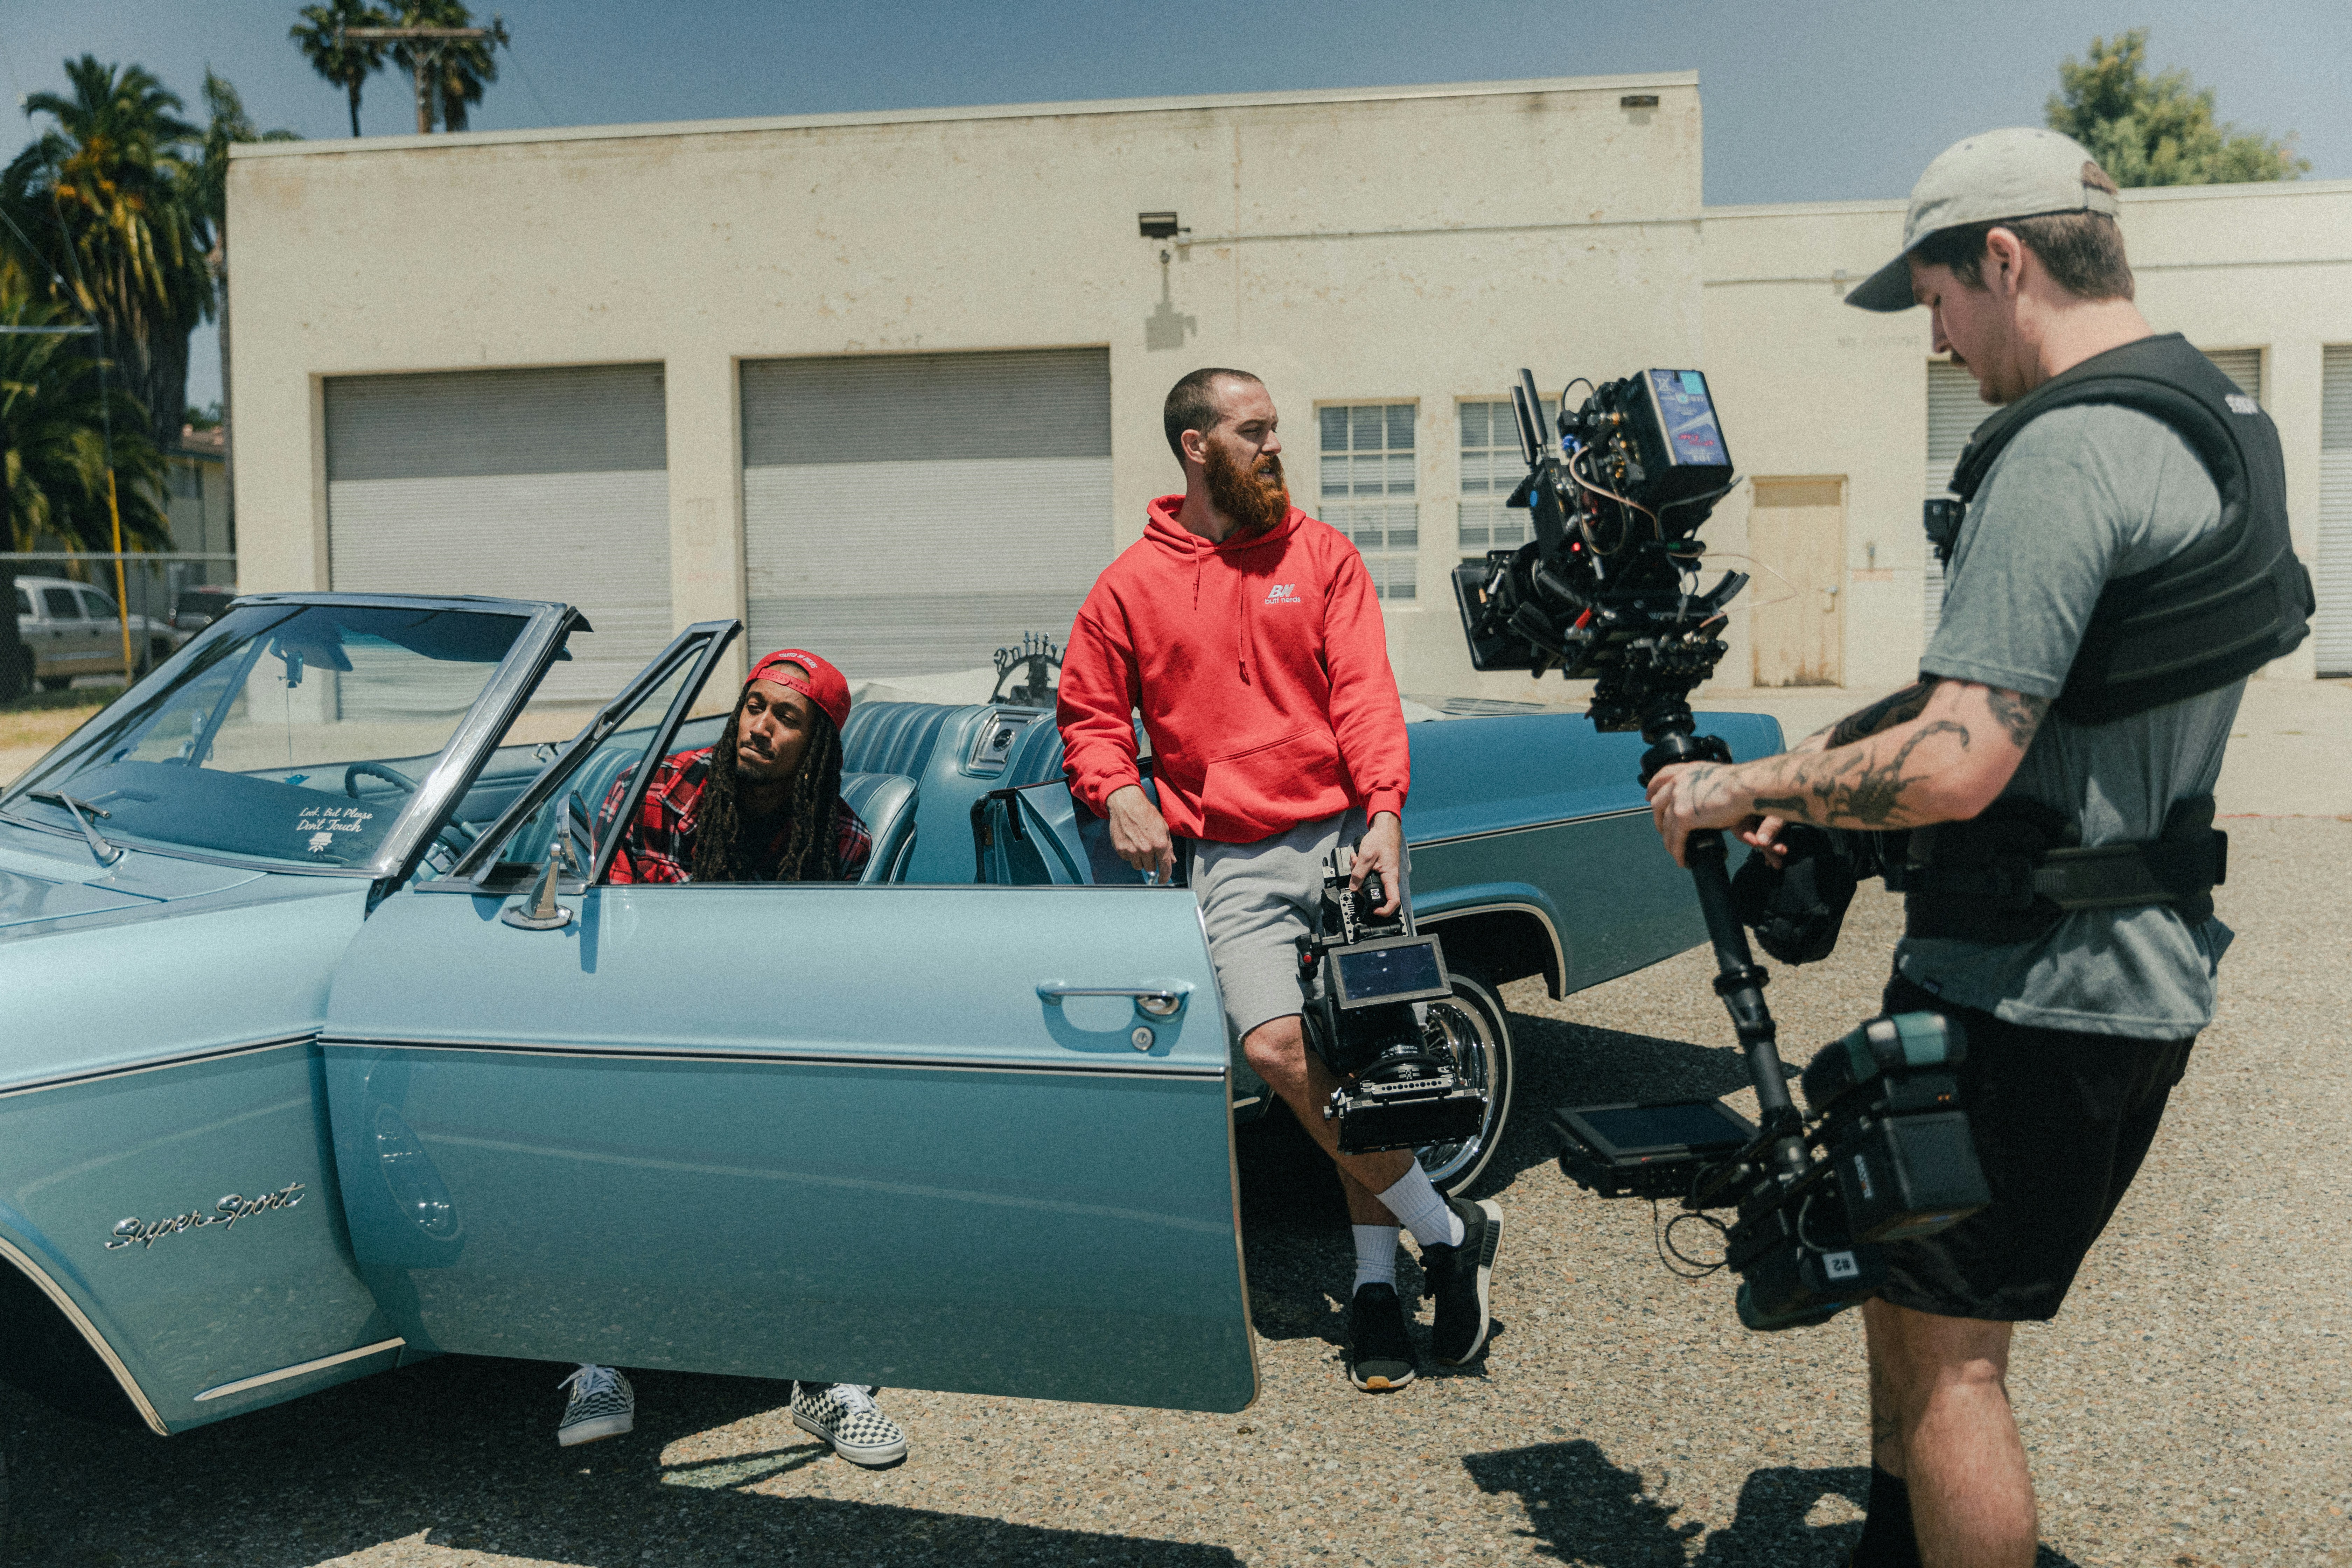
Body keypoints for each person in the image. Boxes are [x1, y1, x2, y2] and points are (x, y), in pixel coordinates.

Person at [1644, 128, 2309, 1567]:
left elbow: (1958, 763)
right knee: (1912, 1301)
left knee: (1957, 1369)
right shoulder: (2215, 420)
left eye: (1940, 299)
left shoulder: (2068, 445)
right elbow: (2056, 697)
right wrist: (1826, 785)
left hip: (2032, 987)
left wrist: (1737, 788)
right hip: (2118, 963)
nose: (1941, 342)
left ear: (2005, 259)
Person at [1056, 367, 1503, 1395]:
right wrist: (1117, 787)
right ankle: (1448, 1229)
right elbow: (1086, 717)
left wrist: (1385, 814)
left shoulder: (1324, 556)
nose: (1274, 447)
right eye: (1252, 432)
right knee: (1275, 1046)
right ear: (1195, 447)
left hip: (1349, 837)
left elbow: (1365, 697)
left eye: (1274, 430)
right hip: (1234, 857)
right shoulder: (1130, 584)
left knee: (1370, 1065)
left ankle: (1378, 1286)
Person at [559, 649, 906, 1467]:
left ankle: (823, 1378)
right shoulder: (652, 789)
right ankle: (597, 1361)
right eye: (755, 706)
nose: (760, 727)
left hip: (762, 1044)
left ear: (816, 745)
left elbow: (826, 974)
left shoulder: (842, 837)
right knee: (584, 1135)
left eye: (786, 719)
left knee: (828, 1146)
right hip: (641, 1031)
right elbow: (612, 936)